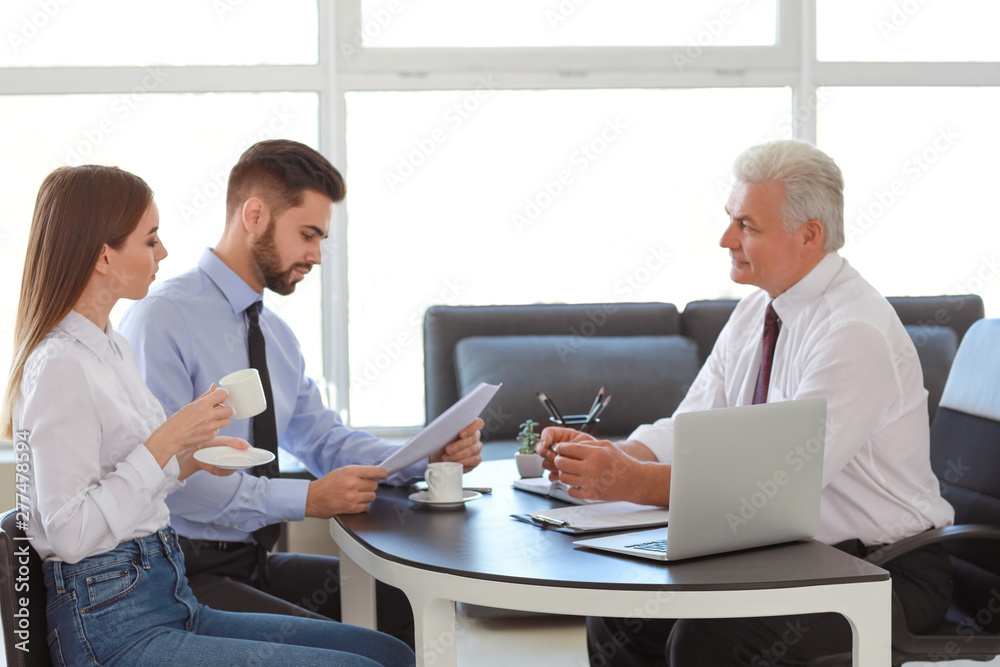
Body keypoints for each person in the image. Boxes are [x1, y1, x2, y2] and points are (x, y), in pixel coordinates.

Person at [539, 140, 955, 666]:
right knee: (621, 615)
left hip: (884, 571)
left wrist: (627, 481)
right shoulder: (756, 312)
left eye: (747, 226)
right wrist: (613, 454)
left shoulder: (854, 331)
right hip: (792, 556)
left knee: (710, 640)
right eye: (730, 219)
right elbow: (689, 426)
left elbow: (774, 486)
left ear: (810, 235)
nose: (725, 239)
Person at [0, 165, 414, 666]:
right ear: (104, 254)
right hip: (110, 624)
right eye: (150, 239)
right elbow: (68, 533)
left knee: (385, 652)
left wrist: (192, 459)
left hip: (166, 595)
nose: (164, 253)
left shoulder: (112, 347)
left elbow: (128, 482)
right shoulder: (61, 364)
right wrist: (168, 442)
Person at [119, 139, 483, 647]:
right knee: (344, 649)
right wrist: (309, 498)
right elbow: (175, 477)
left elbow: (325, 439)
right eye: (308, 234)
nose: (316, 254)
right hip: (178, 571)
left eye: (321, 239)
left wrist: (427, 457)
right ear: (254, 214)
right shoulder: (163, 319)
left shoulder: (275, 338)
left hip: (249, 560)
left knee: (397, 603)